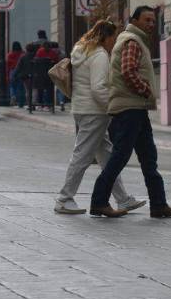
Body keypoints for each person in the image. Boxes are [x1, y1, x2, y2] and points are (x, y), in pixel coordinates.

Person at [89, 6, 171, 219]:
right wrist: (146, 89)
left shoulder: (132, 39)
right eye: (147, 20)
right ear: (135, 20)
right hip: (129, 108)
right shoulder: (132, 40)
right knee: (121, 156)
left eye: (153, 20)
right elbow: (128, 70)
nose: (151, 24)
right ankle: (99, 201)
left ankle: (159, 205)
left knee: (148, 157)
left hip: (136, 108)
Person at [54, 20, 145, 215]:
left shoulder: (81, 50)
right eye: (114, 38)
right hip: (94, 111)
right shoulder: (99, 56)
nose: (114, 43)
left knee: (107, 155)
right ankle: (64, 198)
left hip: (82, 108)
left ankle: (123, 199)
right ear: (107, 36)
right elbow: (98, 88)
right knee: (83, 156)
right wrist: (112, 108)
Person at [13, 42, 39, 110]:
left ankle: (29, 104)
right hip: (35, 75)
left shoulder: (23, 57)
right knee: (34, 90)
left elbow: (18, 67)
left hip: (25, 76)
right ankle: (33, 103)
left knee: (27, 90)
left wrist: (14, 74)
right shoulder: (36, 56)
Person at [6, 41, 27, 109]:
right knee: (20, 87)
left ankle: (13, 96)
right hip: (21, 71)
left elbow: (8, 66)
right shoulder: (23, 54)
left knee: (12, 86)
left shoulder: (10, 54)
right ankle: (20, 101)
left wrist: (7, 75)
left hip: (12, 71)